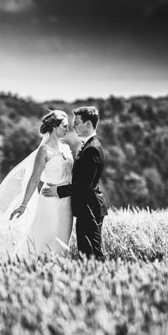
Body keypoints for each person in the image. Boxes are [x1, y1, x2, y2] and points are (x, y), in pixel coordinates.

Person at [0, 109, 74, 258]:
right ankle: (28, 264)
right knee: (46, 236)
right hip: (50, 200)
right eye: (65, 126)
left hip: (66, 200)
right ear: (55, 127)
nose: (68, 129)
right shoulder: (44, 150)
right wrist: (23, 205)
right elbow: (34, 179)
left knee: (63, 238)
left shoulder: (66, 148)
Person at [42, 106, 106, 259]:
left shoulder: (92, 149)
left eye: (77, 123)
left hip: (89, 207)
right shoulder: (89, 146)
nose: (73, 127)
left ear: (88, 124)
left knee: (93, 254)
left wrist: (59, 191)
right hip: (85, 207)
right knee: (86, 254)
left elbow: (84, 185)